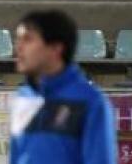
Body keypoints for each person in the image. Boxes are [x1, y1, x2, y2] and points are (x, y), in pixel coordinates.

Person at [10, 10, 117, 164]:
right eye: (18, 39)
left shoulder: (90, 101)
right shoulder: (23, 97)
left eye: (28, 39)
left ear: (55, 48)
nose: (18, 47)